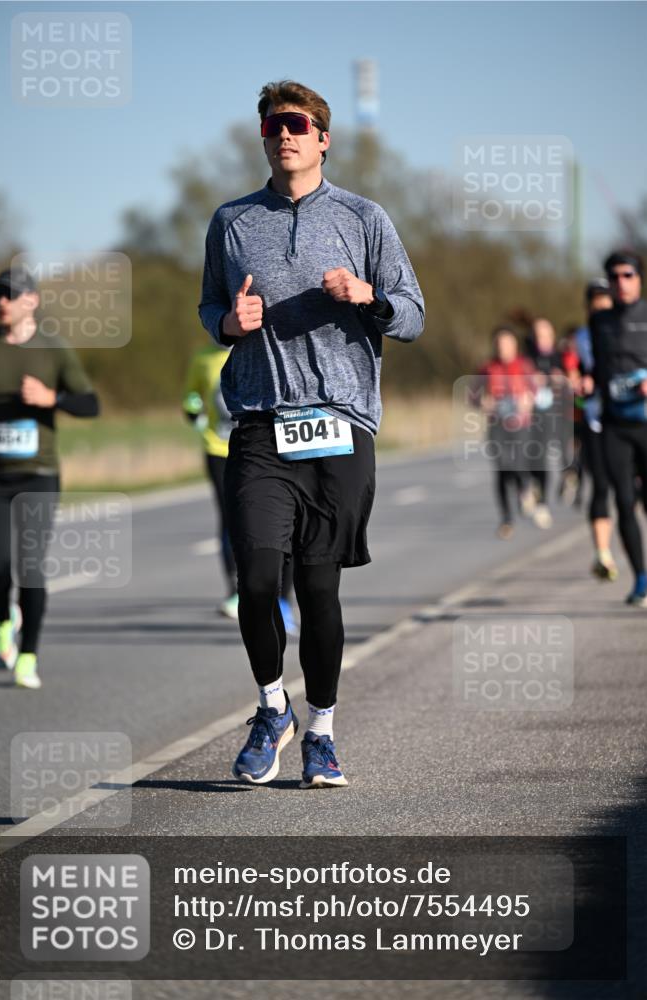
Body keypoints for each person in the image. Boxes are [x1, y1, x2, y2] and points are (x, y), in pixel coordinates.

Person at [198, 80, 424, 787]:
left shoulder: (363, 217)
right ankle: (273, 708)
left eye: (296, 124)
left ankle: (321, 731)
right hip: (261, 422)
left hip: (339, 424)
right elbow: (209, 306)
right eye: (272, 126)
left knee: (320, 589)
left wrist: (368, 296)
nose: (284, 135)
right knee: (259, 577)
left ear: (323, 138)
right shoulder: (231, 221)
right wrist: (226, 324)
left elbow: (413, 314)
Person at [0, 267, 100, 688]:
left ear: (31, 300)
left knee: (31, 567)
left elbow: (91, 404)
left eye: (10, 295)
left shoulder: (53, 348)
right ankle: (3, 620)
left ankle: (28, 654)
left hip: (39, 475)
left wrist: (53, 398)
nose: (2, 302)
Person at [182, 340, 297, 631]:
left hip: (263, 446)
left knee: (284, 520)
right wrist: (193, 410)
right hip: (219, 448)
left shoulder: (262, 346)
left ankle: (283, 598)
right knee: (231, 519)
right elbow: (191, 396)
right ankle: (236, 590)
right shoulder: (203, 358)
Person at [589, 250, 647, 606]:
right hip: (615, 424)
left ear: (639, 278)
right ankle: (641, 578)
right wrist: (586, 382)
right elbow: (597, 370)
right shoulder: (599, 321)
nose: (621, 282)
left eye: (628, 275)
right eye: (614, 276)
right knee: (624, 502)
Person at [572, 278, 618, 580]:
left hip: (629, 420)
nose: (600, 306)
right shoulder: (581, 338)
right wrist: (576, 383)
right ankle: (603, 554)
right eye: (595, 302)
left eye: (605, 301)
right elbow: (570, 370)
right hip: (595, 419)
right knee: (600, 486)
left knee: (630, 492)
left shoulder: (630, 331)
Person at [473, 327, 535, 539]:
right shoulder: (487, 368)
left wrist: (528, 400)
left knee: (518, 464)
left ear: (515, 345)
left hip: (520, 424)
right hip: (497, 425)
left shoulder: (524, 366)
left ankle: (525, 490)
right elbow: (473, 395)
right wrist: (483, 402)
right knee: (501, 469)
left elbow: (537, 392)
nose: (503, 348)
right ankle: (507, 519)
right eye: (499, 344)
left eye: (507, 343)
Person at [524, 317, 570, 530]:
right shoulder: (527, 358)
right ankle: (535, 495)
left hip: (556, 414)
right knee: (533, 458)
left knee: (557, 456)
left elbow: (572, 381)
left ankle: (564, 483)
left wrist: (558, 379)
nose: (542, 339)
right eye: (538, 335)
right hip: (532, 416)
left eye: (545, 334)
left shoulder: (560, 357)